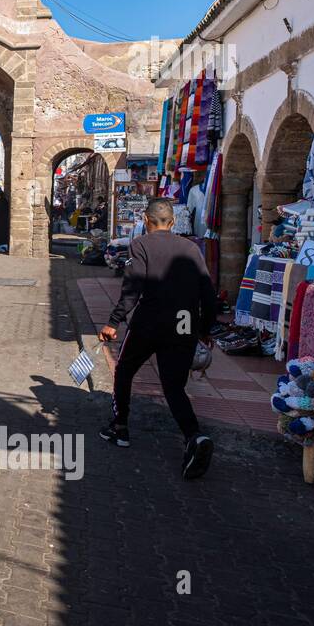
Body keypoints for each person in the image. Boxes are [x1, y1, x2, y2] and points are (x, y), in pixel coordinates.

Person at [97, 197, 217, 479]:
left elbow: (132, 289)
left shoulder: (140, 245)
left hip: (150, 322)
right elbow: (208, 293)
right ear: (173, 222)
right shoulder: (190, 248)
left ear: (147, 221)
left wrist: (114, 322)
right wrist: (206, 330)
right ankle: (194, 436)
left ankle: (120, 426)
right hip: (185, 324)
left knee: (125, 370)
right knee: (174, 387)